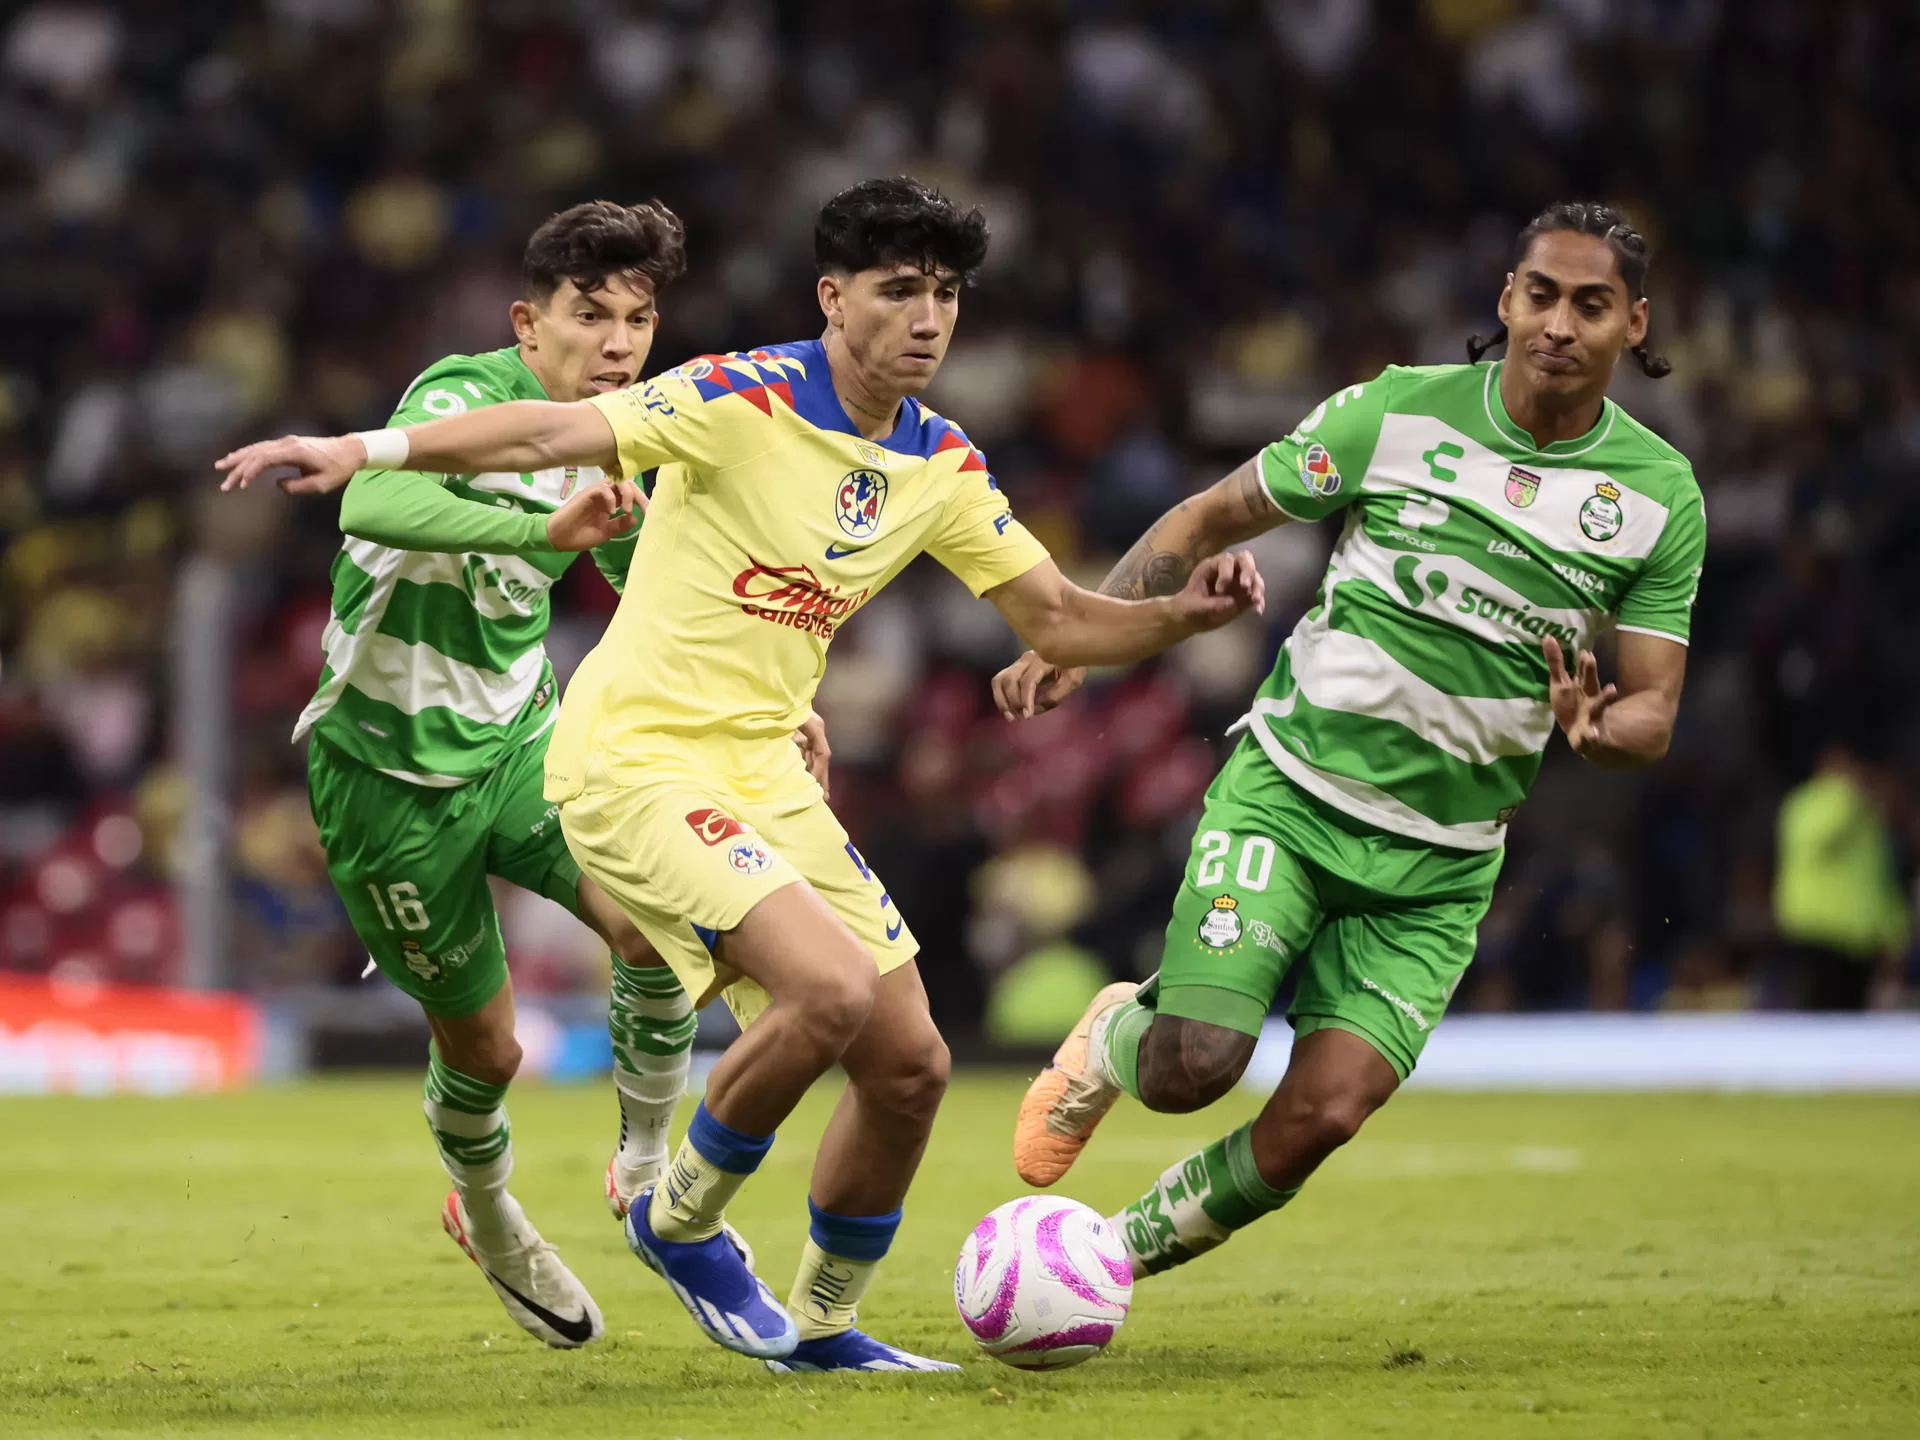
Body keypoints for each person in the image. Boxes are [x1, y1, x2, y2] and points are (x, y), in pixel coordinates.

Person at [216, 175, 1265, 1373]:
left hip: (644, 752)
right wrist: (358, 446)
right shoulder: (714, 394)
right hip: (495, 768)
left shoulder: (942, 463)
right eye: (901, 291)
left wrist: (1183, 614)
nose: (930, 318)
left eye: (948, 295)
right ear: (833, 296)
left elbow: (1056, 620)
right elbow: (502, 455)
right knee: (572, 1037)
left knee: (910, 1060)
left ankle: (819, 1321)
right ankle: (650, 1214)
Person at [997, 202, 1705, 1282]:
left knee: (1322, 1114)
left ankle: (1101, 1265)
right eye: (1543, 294)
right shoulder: (1396, 414)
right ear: (1507, 298)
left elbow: (1653, 709)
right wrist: (1086, 636)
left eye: (1591, 304)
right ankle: (1114, 1037)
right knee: (1194, 1067)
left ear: (1634, 324)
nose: (1560, 323)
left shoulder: (1658, 499)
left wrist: (1601, 731)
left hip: (1441, 865)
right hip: (1292, 793)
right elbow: (1205, 521)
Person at [220, 200, 825, 1349]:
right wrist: (538, 536)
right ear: (527, 323)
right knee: (488, 1050)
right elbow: (373, 495)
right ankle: (490, 1215)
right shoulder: (463, 395)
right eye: (589, 315)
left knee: (663, 927)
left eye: (637, 319)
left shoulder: (620, 427)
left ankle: (646, 1169)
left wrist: (773, 700)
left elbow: (652, 574)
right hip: (389, 779)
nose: (617, 342)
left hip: (525, 744)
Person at [1773, 742, 1909, 1010]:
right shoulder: (1806, 802)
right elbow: (1820, 838)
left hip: (1860, 940)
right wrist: (1847, 796)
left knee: (1851, 1025)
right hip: (1815, 932)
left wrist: (1896, 934)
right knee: (1817, 1020)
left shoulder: (1869, 814)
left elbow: (1878, 878)